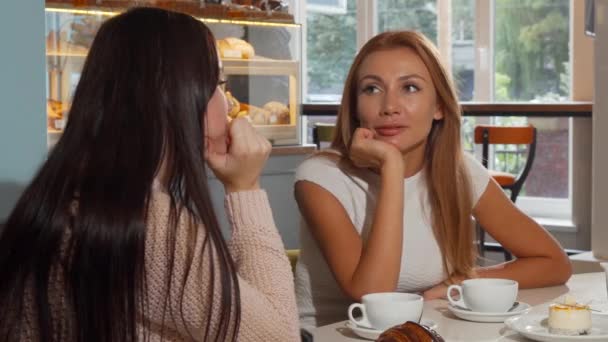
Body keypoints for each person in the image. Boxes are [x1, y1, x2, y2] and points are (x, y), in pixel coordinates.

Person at [0, 7, 298, 342]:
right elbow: (280, 336)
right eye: (216, 83)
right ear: (176, 95)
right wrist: (246, 190)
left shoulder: (69, 196)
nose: (228, 104)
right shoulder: (150, 229)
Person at [293, 30, 572, 329]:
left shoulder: (458, 172)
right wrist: (392, 168)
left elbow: (554, 262)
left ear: (439, 106)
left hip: (427, 332)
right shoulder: (321, 178)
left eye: (410, 87)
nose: (389, 106)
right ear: (355, 106)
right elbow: (372, 294)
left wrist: (467, 281)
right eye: (372, 89)